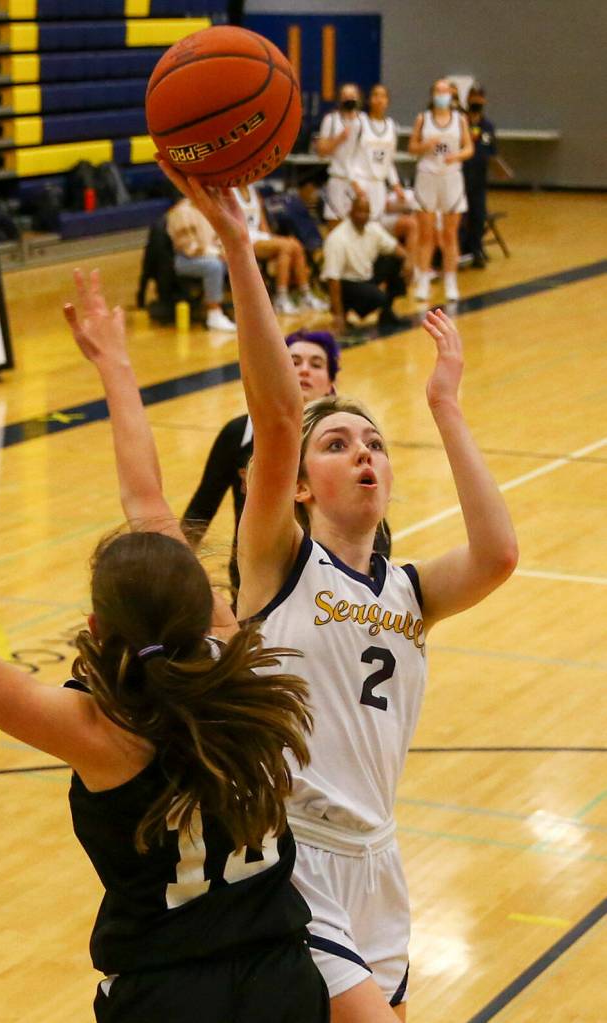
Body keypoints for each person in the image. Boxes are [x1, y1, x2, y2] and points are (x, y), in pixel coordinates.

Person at [0, 277, 330, 1022]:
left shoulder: (103, 735)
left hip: (171, 994)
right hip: (282, 976)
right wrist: (115, 365)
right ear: (206, 607)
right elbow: (149, 502)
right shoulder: (236, 654)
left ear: (95, 628)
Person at [155, 157, 518, 1022]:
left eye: (375, 444)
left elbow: (499, 554)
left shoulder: (409, 589)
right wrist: (242, 248)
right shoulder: (278, 563)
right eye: (340, 444)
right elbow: (277, 416)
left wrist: (447, 408)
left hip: (378, 857)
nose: (363, 452)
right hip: (293, 853)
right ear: (302, 485)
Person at [182, 329, 341, 600]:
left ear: (331, 385)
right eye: (293, 362)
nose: (303, 371)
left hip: (322, 595)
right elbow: (200, 511)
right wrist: (175, 569)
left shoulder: (343, 441)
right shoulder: (237, 434)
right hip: (249, 592)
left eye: (315, 365)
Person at [408, 78, 474, 303]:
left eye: (446, 91)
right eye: (438, 90)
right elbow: (411, 148)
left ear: (452, 96)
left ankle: (450, 281)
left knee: (449, 234)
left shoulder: (460, 120)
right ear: (432, 94)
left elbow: (469, 148)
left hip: (451, 177)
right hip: (427, 176)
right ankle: (424, 280)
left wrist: (456, 156)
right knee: (426, 235)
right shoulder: (422, 119)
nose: (442, 94)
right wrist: (425, 146)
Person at [233, 183, 327, 315]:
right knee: (286, 246)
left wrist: (269, 237)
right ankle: (281, 298)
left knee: (295, 245)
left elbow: (262, 220)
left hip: (258, 235)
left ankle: (305, 295)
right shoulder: (230, 192)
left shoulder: (253, 190)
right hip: (242, 239)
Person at [321, 195, 411, 332]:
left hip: (365, 276)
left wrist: (408, 262)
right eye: (359, 212)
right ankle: (343, 315)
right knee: (378, 297)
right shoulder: (337, 238)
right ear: (351, 212)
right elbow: (333, 279)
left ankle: (387, 314)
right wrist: (337, 316)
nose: (363, 216)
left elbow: (395, 247)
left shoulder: (373, 228)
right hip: (345, 283)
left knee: (396, 261)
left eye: (366, 212)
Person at [353, 85, 418, 257]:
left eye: (383, 96)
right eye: (375, 95)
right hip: (361, 183)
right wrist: (354, 183)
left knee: (381, 227)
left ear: (388, 101)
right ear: (369, 99)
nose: (379, 99)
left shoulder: (391, 126)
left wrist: (396, 185)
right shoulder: (359, 122)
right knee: (364, 228)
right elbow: (348, 156)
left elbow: (389, 160)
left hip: (380, 185)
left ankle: (406, 268)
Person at [166, 196, 236, 332]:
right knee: (214, 266)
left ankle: (242, 308)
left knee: (237, 262)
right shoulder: (182, 212)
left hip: (209, 254)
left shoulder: (209, 206)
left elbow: (218, 237)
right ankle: (214, 314)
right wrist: (217, 253)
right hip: (185, 260)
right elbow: (189, 248)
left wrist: (224, 250)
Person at [314, 83, 363, 228]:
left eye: (352, 96)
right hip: (337, 178)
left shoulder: (363, 122)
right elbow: (321, 151)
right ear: (339, 99)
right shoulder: (331, 120)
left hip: (357, 181)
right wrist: (338, 139)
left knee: (358, 225)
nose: (349, 99)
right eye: (345, 96)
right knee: (336, 226)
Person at [461, 84, 498, 267]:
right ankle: (462, 250)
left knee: (479, 215)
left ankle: (476, 249)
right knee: (460, 217)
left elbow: (492, 152)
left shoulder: (488, 126)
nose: (476, 100)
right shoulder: (460, 123)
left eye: (479, 97)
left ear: (484, 101)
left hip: (479, 180)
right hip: (460, 179)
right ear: (467, 99)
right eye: (473, 97)